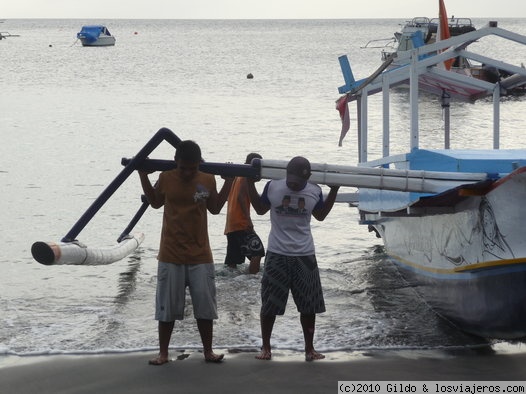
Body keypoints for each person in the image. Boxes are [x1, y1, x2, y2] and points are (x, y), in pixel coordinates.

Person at [138, 140, 233, 365]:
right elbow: (154, 202)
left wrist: (229, 180)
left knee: (205, 306)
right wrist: (142, 174)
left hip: (200, 254)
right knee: (167, 308)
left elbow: (216, 207)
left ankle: (208, 351)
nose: (189, 172)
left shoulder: (207, 179)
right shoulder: (166, 177)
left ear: (199, 164)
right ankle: (163, 353)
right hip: (170, 253)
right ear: (175, 163)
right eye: (183, 168)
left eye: (193, 168)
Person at [247, 156, 340, 362]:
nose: (293, 184)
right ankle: (266, 348)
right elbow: (260, 209)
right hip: (277, 252)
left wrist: (334, 190)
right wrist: (248, 183)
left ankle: (309, 349)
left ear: (307, 178)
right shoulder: (273, 186)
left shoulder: (314, 190)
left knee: (309, 305)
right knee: (270, 304)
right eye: (290, 180)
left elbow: (321, 215)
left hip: (304, 254)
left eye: (297, 182)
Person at [224, 153, 266, 274]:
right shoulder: (245, 177)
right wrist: (248, 220)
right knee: (257, 252)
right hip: (240, 222)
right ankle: (252, 279)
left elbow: (231, 197)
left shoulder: (237, 176)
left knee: (233, 261)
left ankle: (233, 283)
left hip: (231, 224)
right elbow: (241, 197)